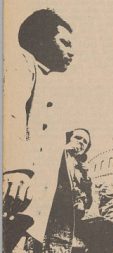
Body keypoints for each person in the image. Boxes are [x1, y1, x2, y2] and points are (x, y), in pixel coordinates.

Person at [3, 9, 75, 250]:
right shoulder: (21, 61)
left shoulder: (45, 81)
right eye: (64, 42)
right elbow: (9, 111)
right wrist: (16, 166)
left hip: (27, 208)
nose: (71, 52)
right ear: (41, 41)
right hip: (14, 186)